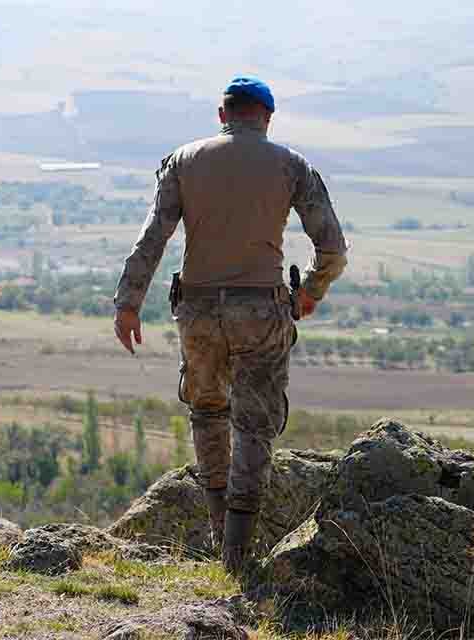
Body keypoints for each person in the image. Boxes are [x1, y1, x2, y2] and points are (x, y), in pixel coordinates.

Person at [111, 76, 348, 573]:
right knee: (255, 424)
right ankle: (238, 553)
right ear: (266, 117)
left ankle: (219, 528)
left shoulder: (184, 161)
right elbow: (333, 249)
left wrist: (128, 302)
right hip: (261, 311)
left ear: (223, 115)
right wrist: (309, 292)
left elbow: (153, 236)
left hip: (196, 311)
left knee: (207, 411)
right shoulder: (291, 166)